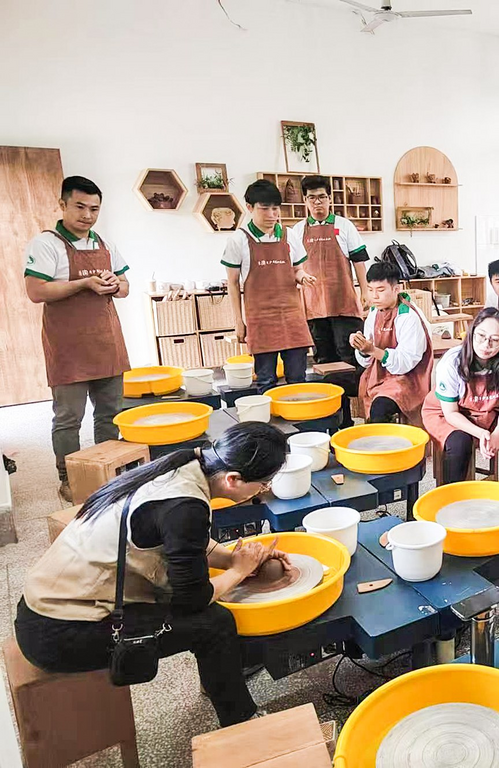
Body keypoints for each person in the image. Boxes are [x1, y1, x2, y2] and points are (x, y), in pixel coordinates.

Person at [15, 422, 289, 727]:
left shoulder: (187, 463)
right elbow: (192, 600)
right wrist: (239, 570)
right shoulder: (184, 506)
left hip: (50, 599)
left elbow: (182, 542)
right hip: (59, 630)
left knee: (218, 604)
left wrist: (235, 561)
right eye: (265, 482)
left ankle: (224, 672)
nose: (265, 489)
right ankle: (242, 721)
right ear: (234, 479)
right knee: (214, 622)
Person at [23, 176, 131, 503]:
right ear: (63, 205)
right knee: (69, 418)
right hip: (68, 347)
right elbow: (36, 290)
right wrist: (82, 284)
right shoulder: (46, 244)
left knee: (110, 413)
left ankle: (106, 471)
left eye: (94, 208)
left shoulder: (105, 243)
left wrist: (114, 283)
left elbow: (125, 286)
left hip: (107, 342)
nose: (87, 215)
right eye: (80, 207)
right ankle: (68, 477)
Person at [287, 175, 370, 428]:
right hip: (313, 310)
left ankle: (364, 415)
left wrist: (365, 291)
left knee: (351, 362)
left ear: (330, 199)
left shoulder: (345, 226)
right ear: (305, 201)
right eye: (312, 198)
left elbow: (359, 261)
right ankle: (338, 421)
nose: (318, 203)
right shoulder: (297, 231)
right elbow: (292, 268)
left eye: (322, 197)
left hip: (344, 305)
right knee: (325, 365)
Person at [223, 180, 316, 393]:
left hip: (292, 317)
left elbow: (296, 270)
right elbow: (233, 283)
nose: (272, 214)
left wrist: (303, 277)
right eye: (264, 209)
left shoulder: (288, 235)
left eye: (275, 209)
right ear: (249, 208)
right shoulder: (239, 240)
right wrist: (239, 321)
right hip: (260, 320)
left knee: (298, 380)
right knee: (265, 382)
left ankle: (300, 421)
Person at [422, 308, 499, 488]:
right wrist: (481, 433)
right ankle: (449, 503)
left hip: (491, 411)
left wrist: (498, 431)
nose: (486, 344)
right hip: (450, 413)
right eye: (481, 336)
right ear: (472, 332)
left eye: (495, 340)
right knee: (460, 443)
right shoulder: (452, 361)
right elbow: (450, 413)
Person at [351, 261, 433, 425]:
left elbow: (405, 364)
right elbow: (366, 362)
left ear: (397, 289)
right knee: (332, 383)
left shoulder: (408, 317)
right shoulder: (374, 313)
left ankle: (383, 448)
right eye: (370, 290)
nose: (374, 296)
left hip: (407, 380)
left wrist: (373, 350)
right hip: (377, 373)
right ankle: (343, 430)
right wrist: (361, 348)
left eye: (380, 290)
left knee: (379, 408)